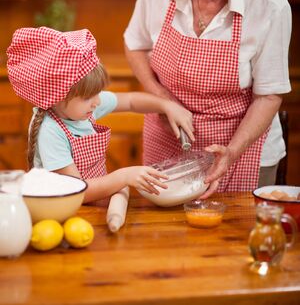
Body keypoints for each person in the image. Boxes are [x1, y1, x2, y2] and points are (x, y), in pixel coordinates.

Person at [124, 0, 292, 197]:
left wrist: (232, 151)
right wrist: (164, 100)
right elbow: (135, 46)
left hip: (241, 147)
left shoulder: (267, 2)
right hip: (167, 138)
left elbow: (269, 95)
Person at [6, 26, 194, 203]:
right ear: (57, 97)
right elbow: (76, 190)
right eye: (88, 97)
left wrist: (166, 105)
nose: (97, 102)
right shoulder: (50, 131)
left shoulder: (83, 107)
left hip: (93, 206)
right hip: (66, 213)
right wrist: (123, 177)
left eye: (97, 93)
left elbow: (130, 100)